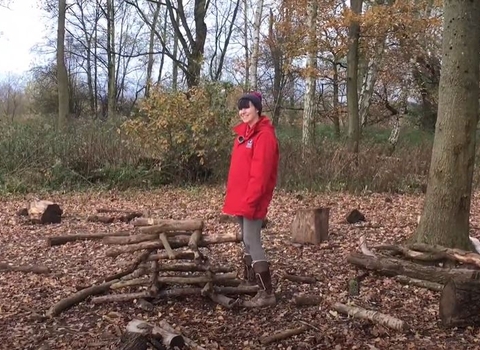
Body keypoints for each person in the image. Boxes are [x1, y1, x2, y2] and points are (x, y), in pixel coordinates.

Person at [222, 91, 279, 308]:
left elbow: (261, 174)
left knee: (252, 240)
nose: (243, 111)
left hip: (252, 198)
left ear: (257, 108)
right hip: (240, 197)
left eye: (247, 107)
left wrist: (252, 200)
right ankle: (250, 281)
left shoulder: (264, 136)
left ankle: (267, 293)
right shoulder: (245, 134)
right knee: (245, 240)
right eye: (240, 107)